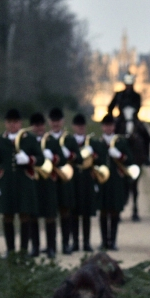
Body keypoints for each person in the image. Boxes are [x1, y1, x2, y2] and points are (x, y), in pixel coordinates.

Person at [0, 108, 44, 255]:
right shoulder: (0, 140)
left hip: (24, 182)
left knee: (25, 215)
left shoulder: (29, 138)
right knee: (7, 215)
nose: (12, 125)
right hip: (6, 183)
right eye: (9, 122)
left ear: (20, 123)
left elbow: (42, 159)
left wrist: (30, 160)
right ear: (6, 123)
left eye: (15, 122)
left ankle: (24, 250)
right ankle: (10, 249)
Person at [29, 112, 66, 259]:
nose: (39, 128)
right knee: (33, 216)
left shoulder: (51, 140)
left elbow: (62, 160)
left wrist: (54, 157)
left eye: (40, 125)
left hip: (49, 182)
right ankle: (35, 247)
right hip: (33, 183)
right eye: (36, 125)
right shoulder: (29, 141)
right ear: (32, 126)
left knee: (50, 215)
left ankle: (51, 247)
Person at [70, 113, 107, 252]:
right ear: (74, 127)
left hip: (87, 181)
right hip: (73, 180)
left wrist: (94, 156)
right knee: (74, 213)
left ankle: (86, 242)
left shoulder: (93, 143)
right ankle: (74, 242)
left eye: (82, 126)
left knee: (86, 213)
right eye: (78, 126)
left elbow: (102, 161)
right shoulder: (69, 141)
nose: (80, 128)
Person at [98, 114, 135, 250]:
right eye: (106, 125)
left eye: (110, 125)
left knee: (114, 212)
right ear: (103, 127)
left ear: (114, 126)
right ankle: (104, 241)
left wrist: (119, 155)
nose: (108, 128)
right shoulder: (98, 143)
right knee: (103, 212)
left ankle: (112, 241)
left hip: (116, 182)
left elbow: (130, 160)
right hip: (102, 182)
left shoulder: (121, 142)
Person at [47, 107, 82, 254]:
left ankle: (66, 244)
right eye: (53, 121)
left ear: (62, 122)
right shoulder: (46, 139)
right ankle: (51, 246)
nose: (55, 124)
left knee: (65, 212)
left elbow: (79, 159)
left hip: (66, 180)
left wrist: (71, 155)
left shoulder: (69, 139)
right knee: (50, 214)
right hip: (50, 180)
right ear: (50, 122)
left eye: (58, 121)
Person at [108, 72, 150, 166]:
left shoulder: (137, 95)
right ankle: (109, 155)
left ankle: (146, 156)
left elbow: (138, 107)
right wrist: (111, 119)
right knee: (111, 135)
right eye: (127, 84)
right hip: (121, 119)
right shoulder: (119, 94)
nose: (128, 86)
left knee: (147, 136)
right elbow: (110, 107)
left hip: (133, 118)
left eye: (130, 84)